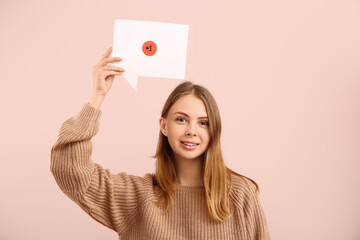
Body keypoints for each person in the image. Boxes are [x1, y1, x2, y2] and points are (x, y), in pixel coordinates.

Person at [50, 46, 271, 240]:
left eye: (203, 123)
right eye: (181, 119)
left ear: (214, 130)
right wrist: (97, 97)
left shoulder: (241, 195)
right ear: (164, 126)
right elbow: (69, 170)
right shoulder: (137, 197)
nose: (192, 131)